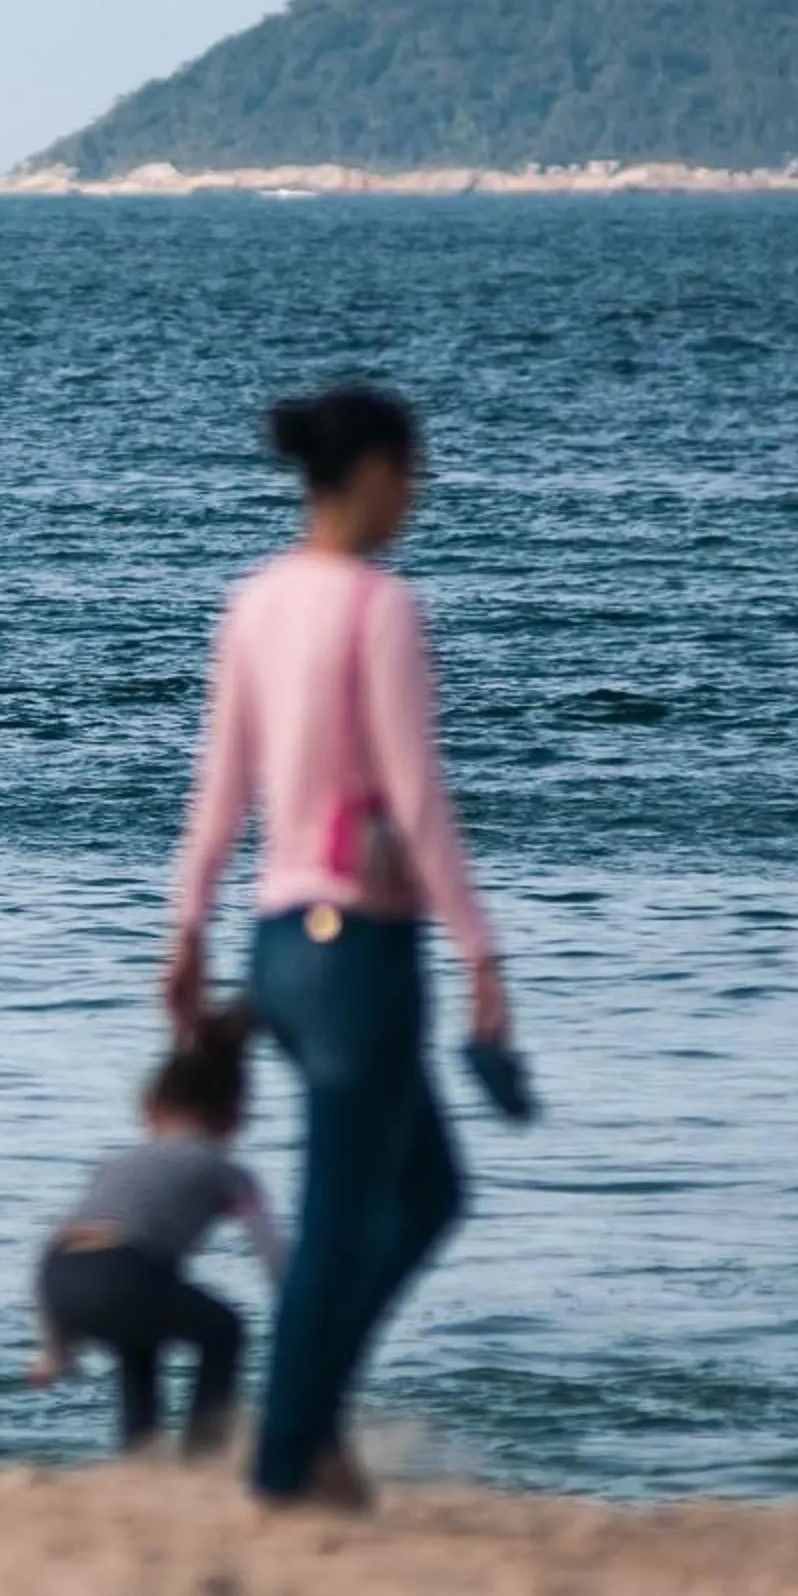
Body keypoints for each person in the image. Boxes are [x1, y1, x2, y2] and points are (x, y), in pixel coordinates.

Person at [166, 382, 510, 1508]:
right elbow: (417, 794)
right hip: (360, 950)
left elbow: (218, 790)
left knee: (426, 1191)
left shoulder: (254, 600)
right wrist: (482, 957)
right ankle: (286, 1458)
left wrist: (184, 932)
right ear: (365, 472)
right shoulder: (379, 606)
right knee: (340, 1223)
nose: (420, 490)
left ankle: (309, 1421)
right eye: (412, 468)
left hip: (275, 946)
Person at [30, 1006, 285, 1456]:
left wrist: (54, 1346)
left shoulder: (117, 1163)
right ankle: (202, 1455)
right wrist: (302, 1309)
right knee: (225, 1329)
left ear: (147, 1108)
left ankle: (138, 1453)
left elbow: (56, 1244)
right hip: (124, 1274)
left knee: (138, 1341)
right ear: (235, 1119)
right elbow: (273, 1257)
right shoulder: (227, 1171)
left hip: (59, 1278)